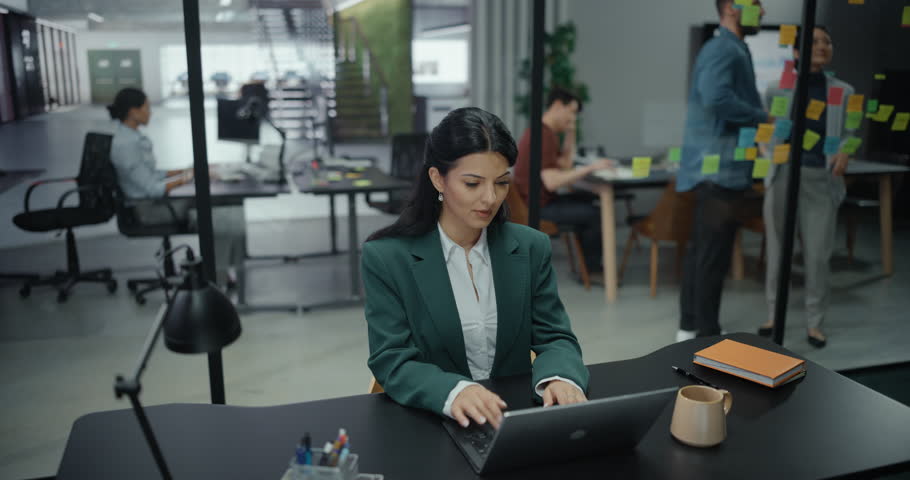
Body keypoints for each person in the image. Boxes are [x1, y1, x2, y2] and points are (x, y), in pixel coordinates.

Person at [362, 107, 589, 429]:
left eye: (501, 183)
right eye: (472, 184)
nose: (490, 198)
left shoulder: (529, 247)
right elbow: (392, 360)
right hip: (433, 423)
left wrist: (560, 378)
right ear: (437, 178)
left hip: (513, 420)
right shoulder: (386, 258)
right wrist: (454, 391)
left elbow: (554, 337)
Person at [676, 0, 769, 341]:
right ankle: (706, 334)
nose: (762, 11)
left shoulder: (727, 48)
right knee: (710, 258)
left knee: (704, 254)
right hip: (720, 170)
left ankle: (690, 329)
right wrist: (764, 117)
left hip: (717, 170)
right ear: (731, 7)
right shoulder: (724, 50)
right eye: (756, 4)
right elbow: (716, 98)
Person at [758, 26, 854, 348]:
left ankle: (815, 323)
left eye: (827, 41)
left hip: (820, 178)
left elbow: (852, 133)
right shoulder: (778, 89)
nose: (822, 46)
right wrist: (768, 154)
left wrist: (846, 150)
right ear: (797, 52)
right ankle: (774, 315)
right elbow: (764, 133)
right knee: (777, 252)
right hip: (783, 175)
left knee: (817, 255)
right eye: (814, 42)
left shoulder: (843, 91)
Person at [107, 87, 246, 289]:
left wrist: (185, 170)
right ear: (133, 111)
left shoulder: (130, 137)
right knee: (223, 212)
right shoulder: (126, 145)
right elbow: (152, 188)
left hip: (153, 202)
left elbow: (151, 173)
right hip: (150, 209)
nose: (150, 112)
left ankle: (223, 270)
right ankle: (219, 275)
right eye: (146, 108)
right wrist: (189, 177)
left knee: (226, 201)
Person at [512, 87, 613, 274]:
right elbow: (552, 182)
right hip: (536, 207)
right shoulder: (542, 135)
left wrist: (570, 132)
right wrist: (590, 168)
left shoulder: (546, 132)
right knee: (593, 214)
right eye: (572, 112)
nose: (573, 118)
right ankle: (591, 270)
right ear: (558, 105)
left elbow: (565, 164)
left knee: (588, 201)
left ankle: (587, 266)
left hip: (539, 201)